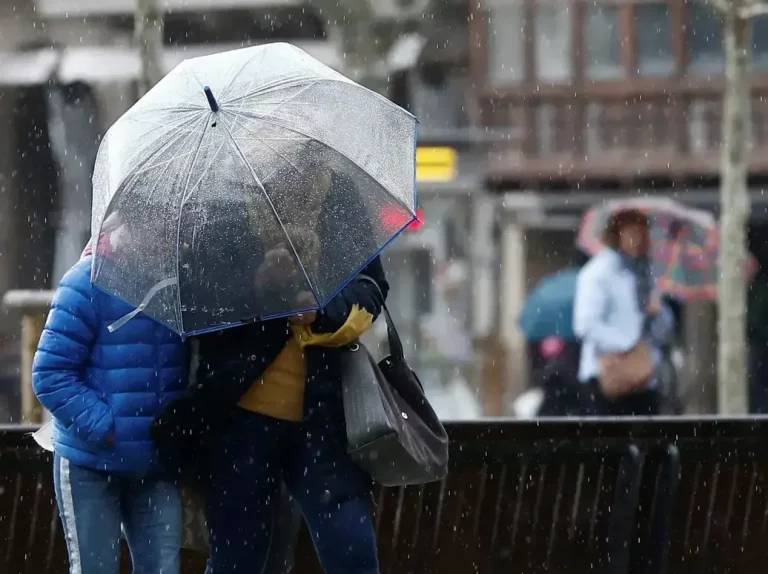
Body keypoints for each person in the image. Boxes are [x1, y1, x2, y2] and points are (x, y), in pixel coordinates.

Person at [153, 168, 389, 573]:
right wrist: (259, 285)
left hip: (324, 414)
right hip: (239, 415)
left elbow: (371, 285)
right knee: (237, 559)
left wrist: (320, 307)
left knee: (351, 551)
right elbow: (193, 299)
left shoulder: (337, 195)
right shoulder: (217, 202)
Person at [32, 242, 187, 573]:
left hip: (156, 463)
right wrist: (106, 427)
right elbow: (49, 374)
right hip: (92, 460)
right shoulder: (86, 282)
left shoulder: (180, 284)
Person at [573, 209, 675, 416]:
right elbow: (585, 325)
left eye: (642, 233)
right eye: (632, 233)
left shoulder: (647, 274)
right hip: (607, 377)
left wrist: (658, 313)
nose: (638, 240)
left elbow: (662, 331)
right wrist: (627, 344)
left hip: (645, 378)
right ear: (616, 235)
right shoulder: (598, 273)